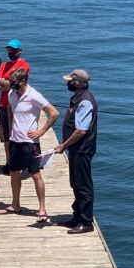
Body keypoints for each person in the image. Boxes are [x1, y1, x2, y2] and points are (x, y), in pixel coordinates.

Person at [0, 68, 59, 222]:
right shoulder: (12, 94)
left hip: (30, 143)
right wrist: (11, 127)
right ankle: (15, 204)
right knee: (14, 172)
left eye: (14, 83)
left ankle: (42, 209)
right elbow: (10, 108)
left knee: (35, 174)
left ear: (23, 81)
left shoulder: (33, 95)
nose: (11, 85)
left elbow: (54, 112)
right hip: (15, 140)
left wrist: (42, 130)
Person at [54, 69, 97, 234]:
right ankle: (77, 216)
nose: (68, 83)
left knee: (83, 185)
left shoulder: (85, 101)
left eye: (70, 81)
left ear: (78, 83)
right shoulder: (79, 98)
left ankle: (86, 222)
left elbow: (81, 130)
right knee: (75, 183)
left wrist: (64, 145)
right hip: (76, 149)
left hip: (82, 150)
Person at [0, 39, 30, 175]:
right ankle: (9, 162)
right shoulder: (4, 65)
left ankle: (24, 163)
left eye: (13, 50)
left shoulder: (23, 65)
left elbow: (13, 84)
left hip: (18, 106)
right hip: (4, 105)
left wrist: (7, 83)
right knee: (6, 135)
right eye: (9, 50)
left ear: (19, 51)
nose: (10, 52)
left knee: (18, 134)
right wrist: (8, 83)